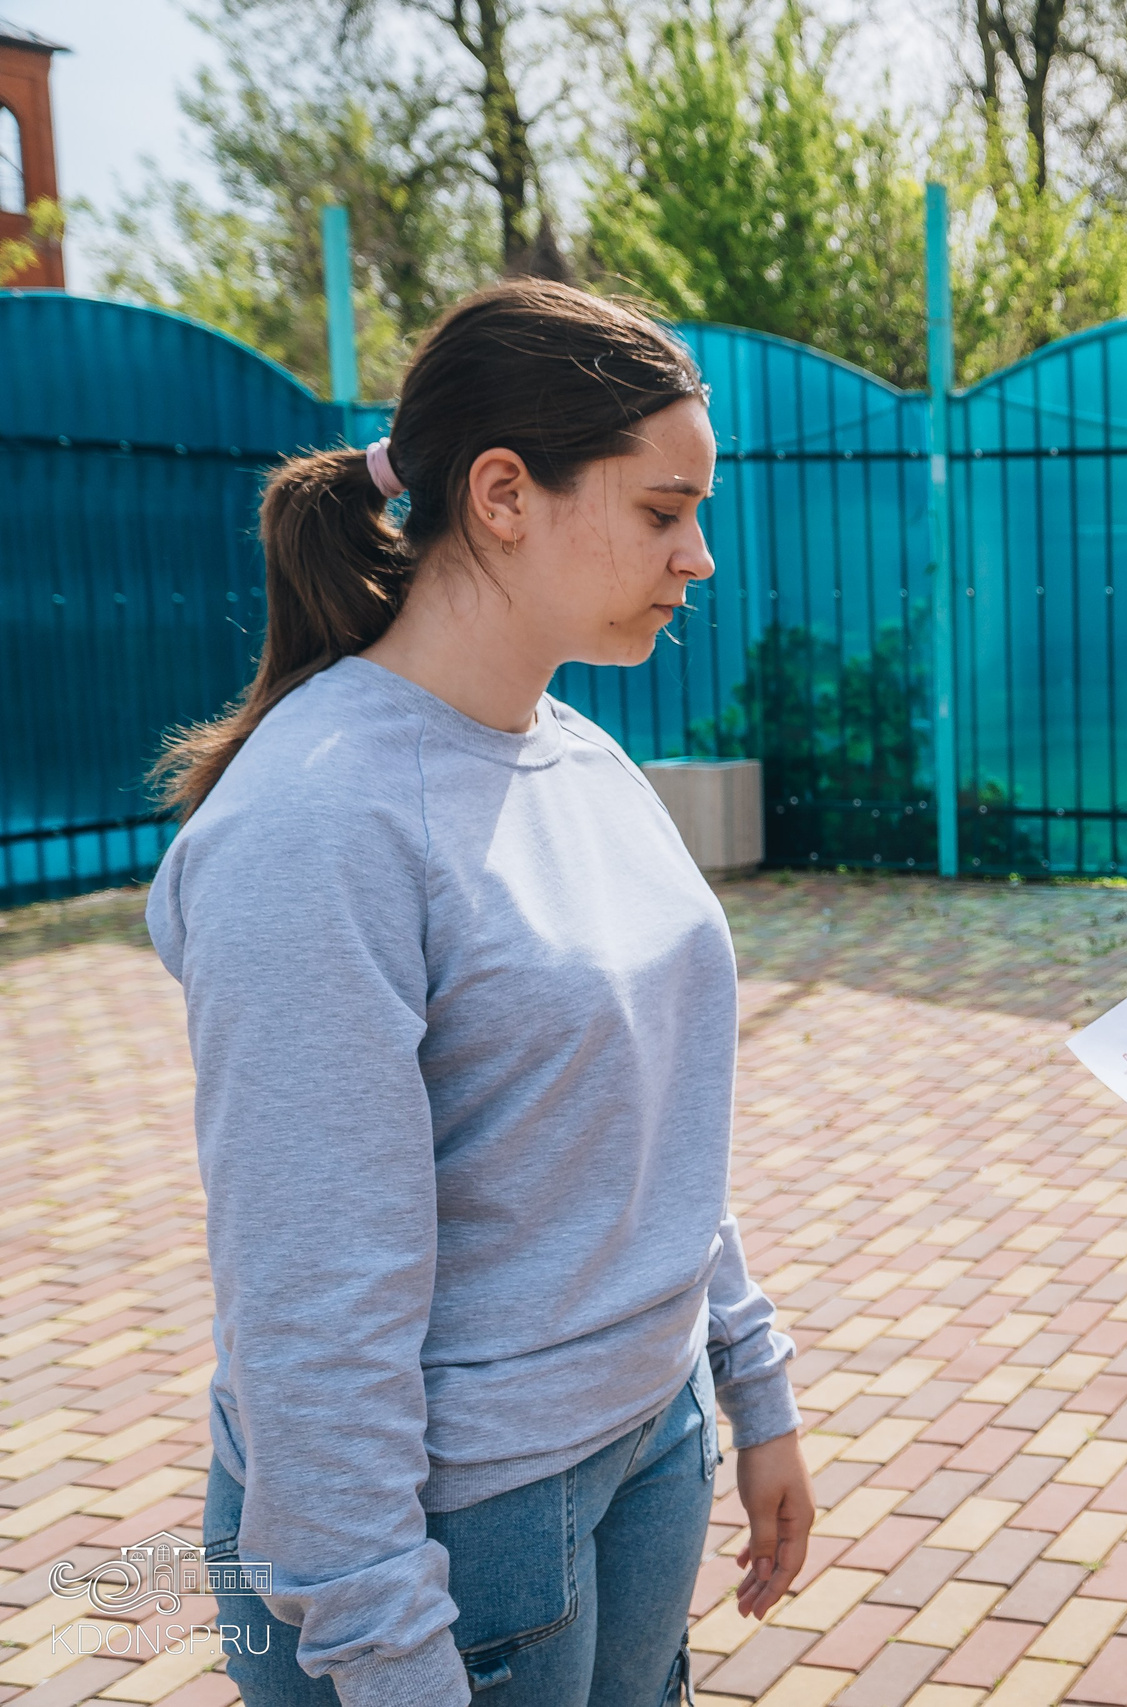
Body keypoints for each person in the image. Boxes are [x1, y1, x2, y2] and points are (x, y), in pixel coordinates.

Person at [147, 280, 814, 1706]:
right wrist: (387, 1651)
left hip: (647, 1442)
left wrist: (749, 1387)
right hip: (457, 1532)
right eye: (662, 510)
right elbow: (313, 1308)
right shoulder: (318, 825)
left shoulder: (583, 757)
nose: (699, 555)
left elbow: (647, 1117)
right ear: (504, 493)